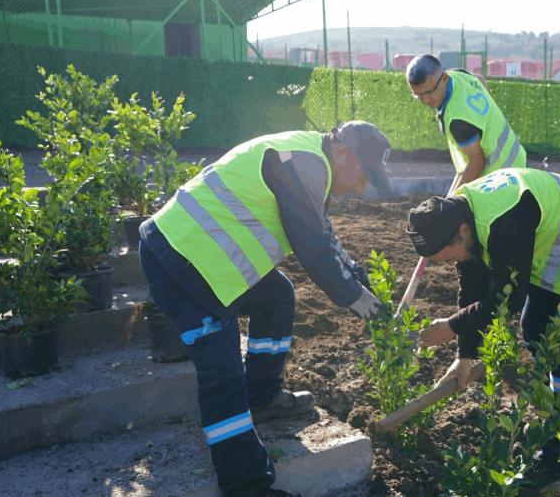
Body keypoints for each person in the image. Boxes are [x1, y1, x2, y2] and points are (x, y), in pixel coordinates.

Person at [138, 121, 392, 496]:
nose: (362, 186)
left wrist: (366, 287)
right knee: (222, 375)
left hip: (203, 260)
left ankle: (261, 394)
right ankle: (247, 485)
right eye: (364, 174)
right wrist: (360, 303)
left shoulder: (310, 161)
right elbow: (314, 250)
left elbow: (325, 237)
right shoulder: (304, 163)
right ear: (342, 152)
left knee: (276, 295)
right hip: (180, 261)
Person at [404, 167, 560, 494]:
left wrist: (452, 326)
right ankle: (556, 412)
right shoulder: (464, 212)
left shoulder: (505, 222)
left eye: (450, 255)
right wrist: (464, 356)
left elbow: (506, 300)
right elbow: (474, 286)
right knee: (534, 328)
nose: (450, 262)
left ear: (461, 231)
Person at [406, 54, 527, 190]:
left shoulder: (458, 120)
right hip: (516, 157)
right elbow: (479, 80)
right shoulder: (458, 75)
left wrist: (451, 203)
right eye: (418, 95)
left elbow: (476, 164)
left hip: (502, 176)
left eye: (429, 92)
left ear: (444, 78)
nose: (426, 100)